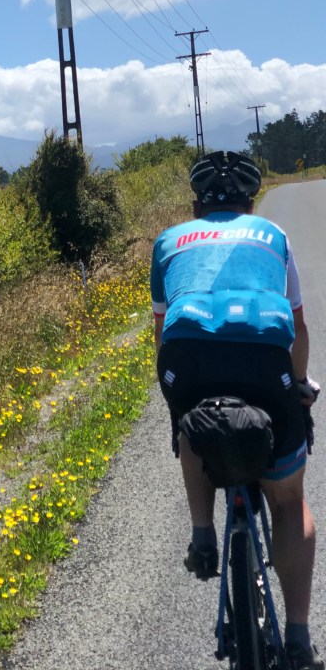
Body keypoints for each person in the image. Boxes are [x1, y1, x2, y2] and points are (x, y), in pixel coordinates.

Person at [150, 150, 322, 670]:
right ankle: (298, 640)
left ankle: (203, 534)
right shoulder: (273, 235)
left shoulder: (168, 240)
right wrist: (298, 386)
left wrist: (177, 398)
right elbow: (298, 324)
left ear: (196, 207)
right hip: (264, 358)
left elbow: (162, 333)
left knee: (188, 420)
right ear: (251, 204)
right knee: (288, 503)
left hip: (187, 356)